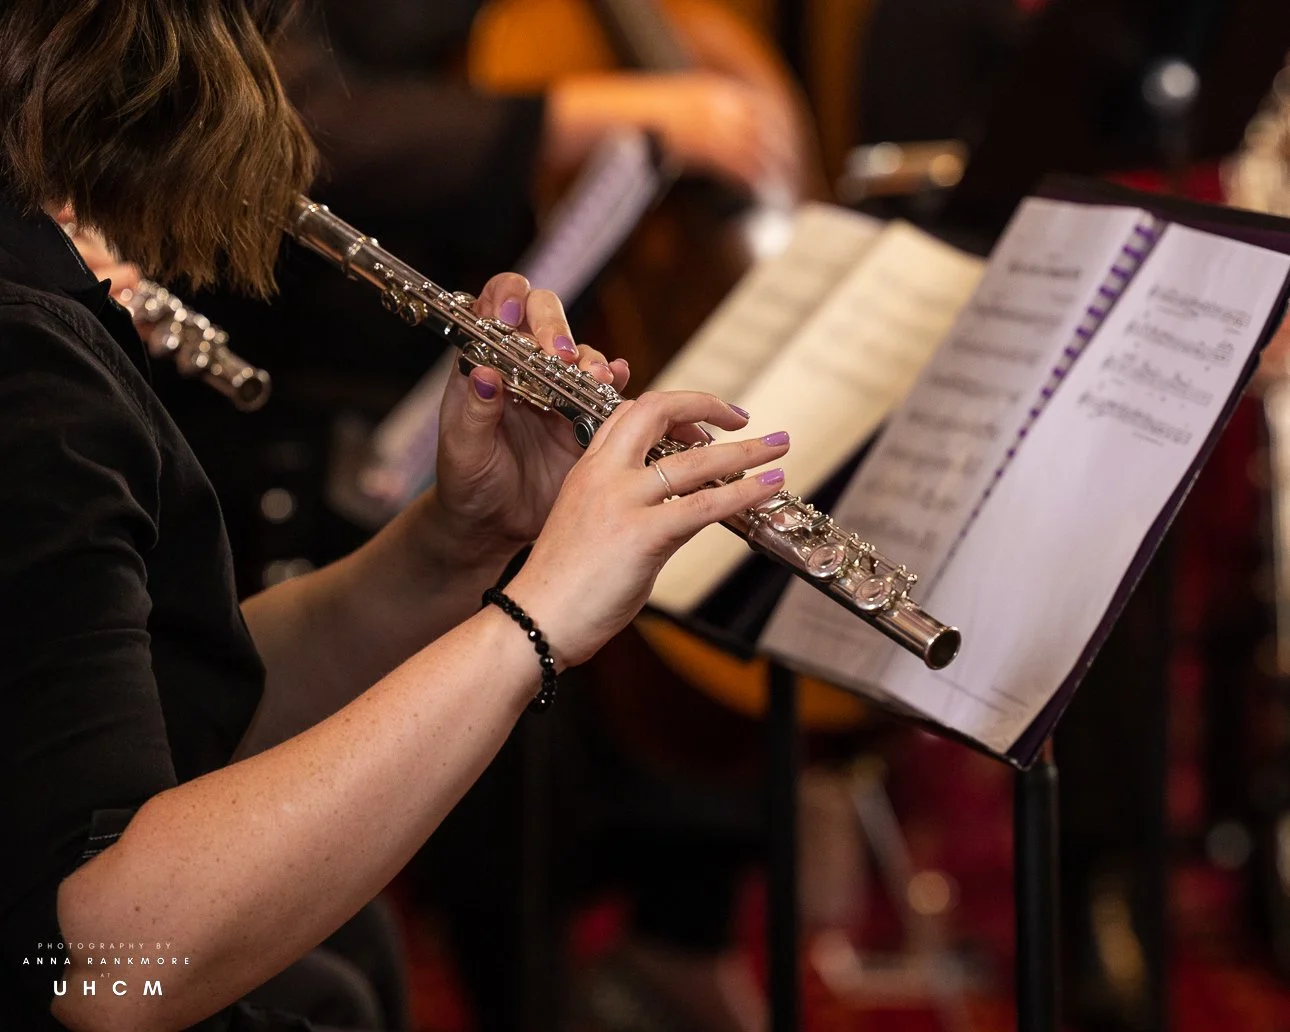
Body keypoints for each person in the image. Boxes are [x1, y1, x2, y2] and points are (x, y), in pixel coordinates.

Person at [0, 3, 793, 1030]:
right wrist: (537, 623)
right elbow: (99, 967)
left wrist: (450, 549)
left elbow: (183, 703)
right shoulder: (29, 362)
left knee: (346, 965)